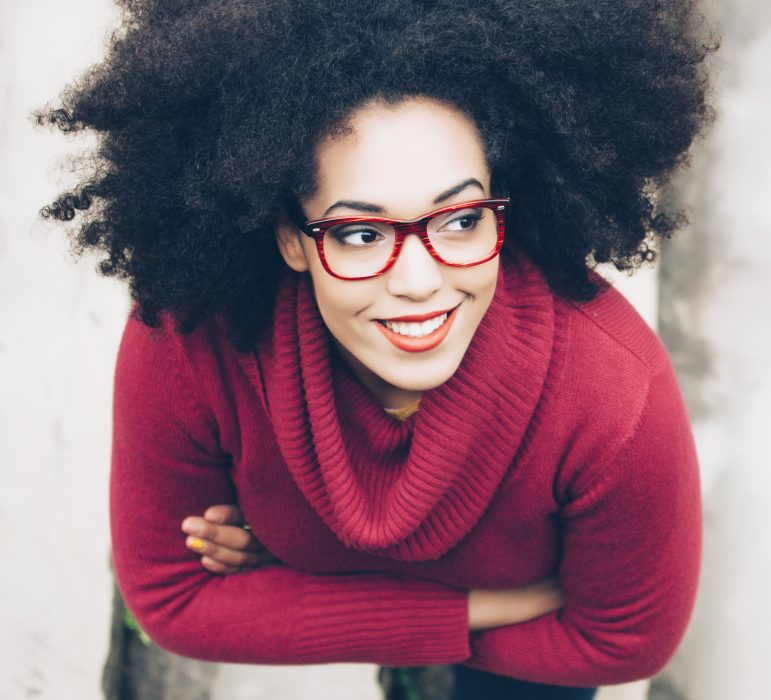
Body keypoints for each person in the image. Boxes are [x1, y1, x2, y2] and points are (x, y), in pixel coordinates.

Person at [38, 1, 713, 696]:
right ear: (293, 239)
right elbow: (174, 605)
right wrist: (482, 607)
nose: (420, 282)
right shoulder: (193, 339)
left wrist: (305, 588)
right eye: (361, 234)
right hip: (521, 608)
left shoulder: (611, 392)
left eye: (459, 219)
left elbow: (622, 642)